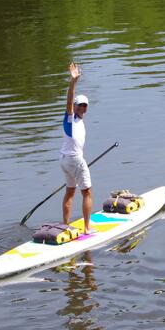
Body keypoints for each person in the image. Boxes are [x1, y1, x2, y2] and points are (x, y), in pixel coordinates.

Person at [60, 62, 94, 234]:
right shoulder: (70, 119)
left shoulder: (79, 120)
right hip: (74, 160)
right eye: (79, 104)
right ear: (74, 106)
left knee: (70, 191)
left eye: (85, 105)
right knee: (87, 192)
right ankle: (87, 229)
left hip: (65, 160)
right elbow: (69, 98)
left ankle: (66, 226)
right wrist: (73, 82)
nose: (82, 107)